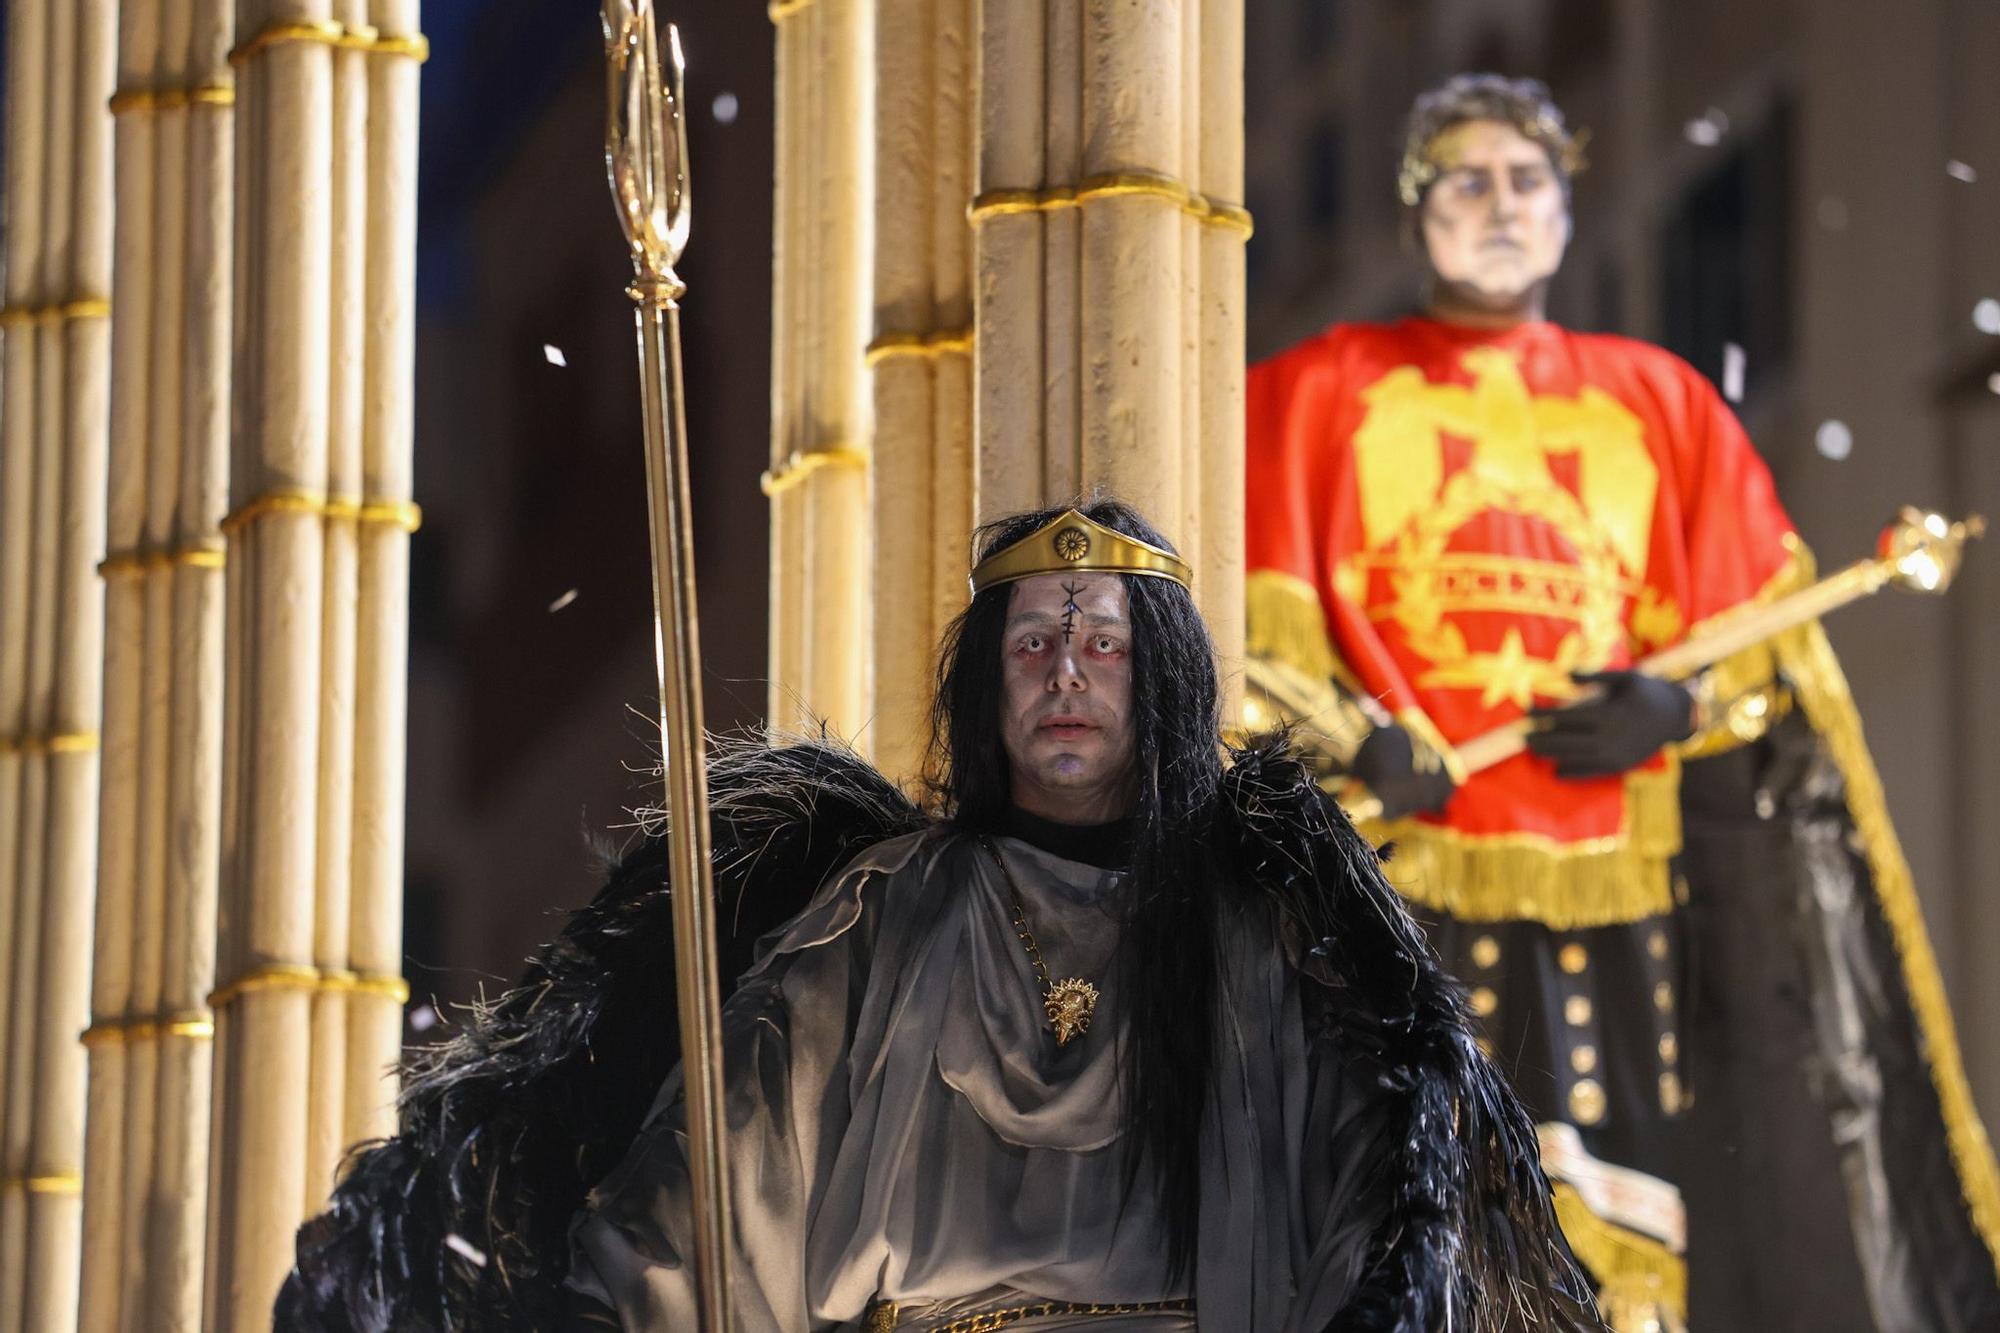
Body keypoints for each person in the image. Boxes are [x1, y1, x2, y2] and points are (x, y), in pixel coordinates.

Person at [278, 498, 1598, 1332]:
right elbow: (732, 1179)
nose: (1067, 675)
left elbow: (1360, 1215)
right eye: (1034, 643)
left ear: (1168, 681)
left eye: (1106, 644)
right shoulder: (882, 917)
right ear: (986, 680)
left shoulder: (1259, 936)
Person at [1243, 72, 2000, 1332]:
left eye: (1526, 180)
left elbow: (1759, 652)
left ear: (1564, 210)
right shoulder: (1306, 395)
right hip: (1399, 892)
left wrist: (1677, 706)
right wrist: (1352, 738)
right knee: (1401, 1230)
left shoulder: (1661, 404)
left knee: (1630, 1245)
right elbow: (1240, 643)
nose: (1499, 205)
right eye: (1467, 180)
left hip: (1622, 902)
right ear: (1413, 210)